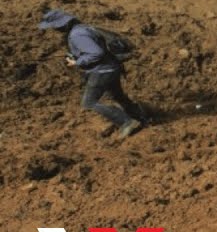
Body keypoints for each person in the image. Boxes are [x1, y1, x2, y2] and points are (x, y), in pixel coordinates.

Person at [38, 9, 146, 137]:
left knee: (89, 103)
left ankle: (126, 122)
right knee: (117, 96)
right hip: (112, 67)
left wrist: (77, 62)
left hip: (102, 71)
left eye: (55, 27)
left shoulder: (76, 34)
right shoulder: (83, 28)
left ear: (62, 24)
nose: (55, 30)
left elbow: (96, 53)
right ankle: (140, 116)